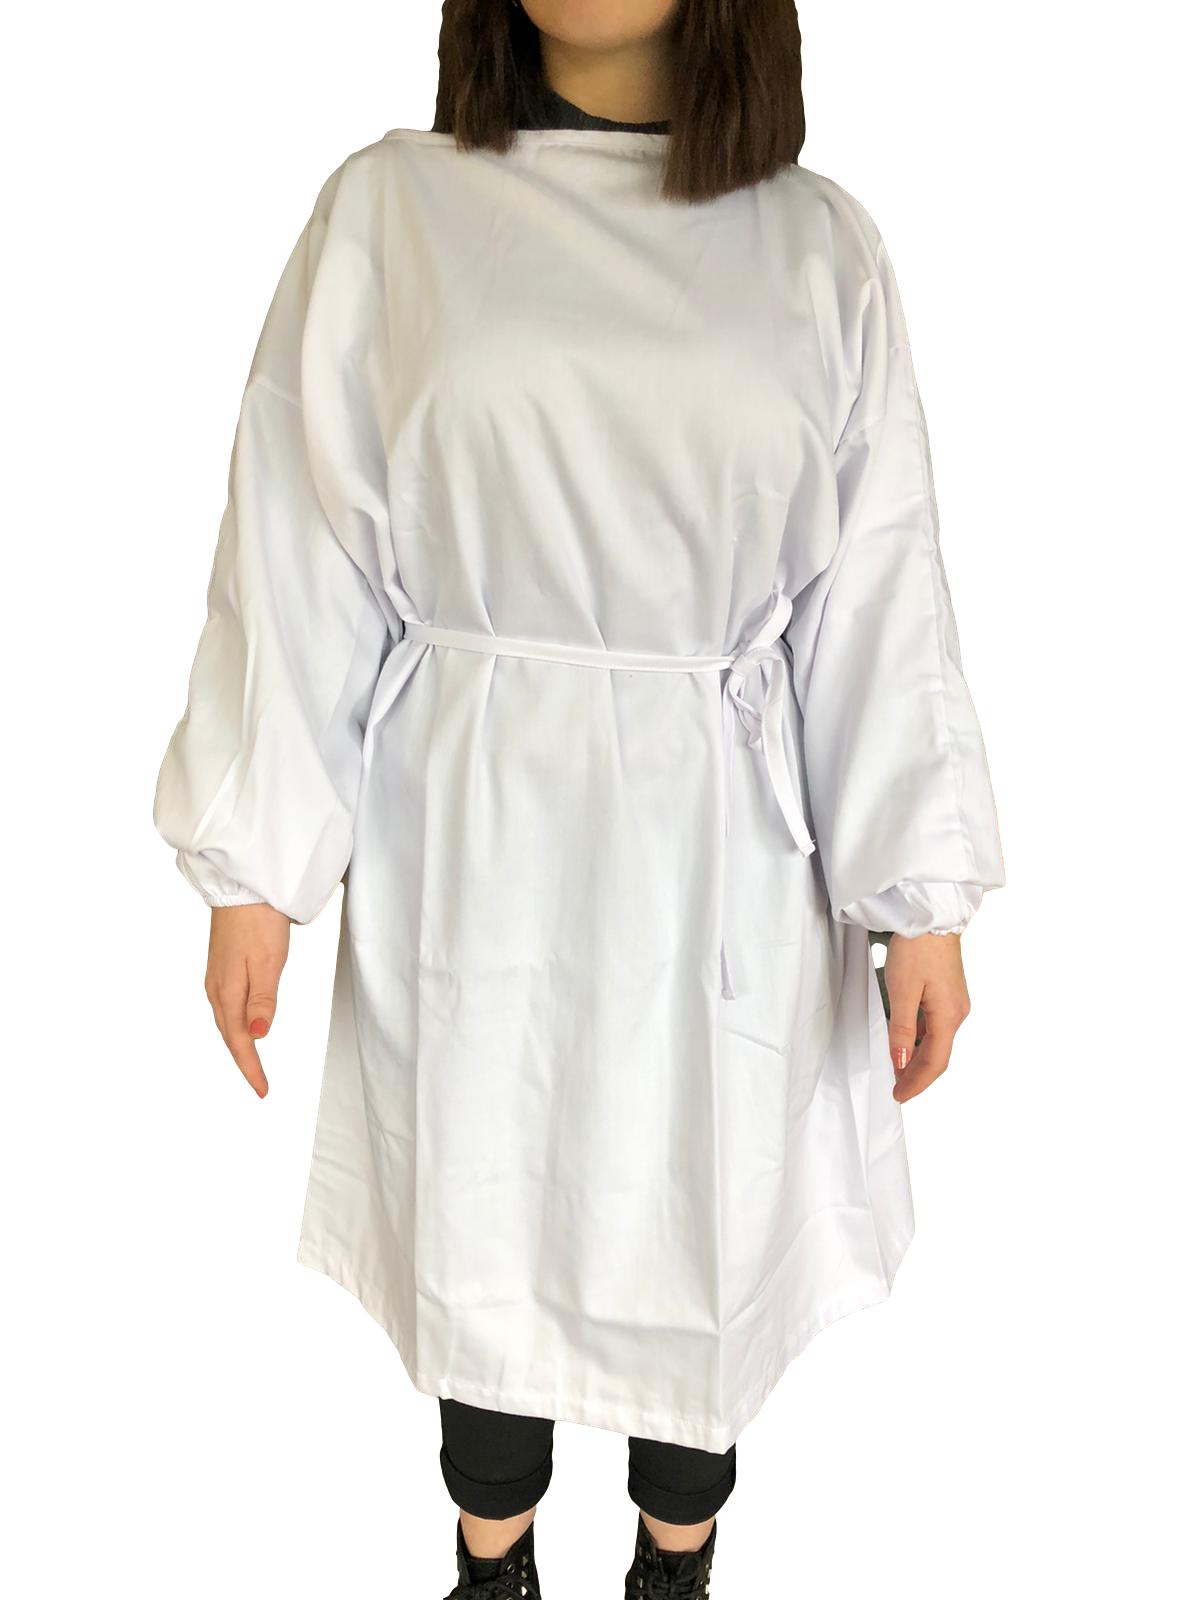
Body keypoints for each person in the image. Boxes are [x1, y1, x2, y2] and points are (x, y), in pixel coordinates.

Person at [152, 3, 1005, 1595]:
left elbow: (878, 587)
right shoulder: (393, 214)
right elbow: (298, 534)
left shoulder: (815, 249)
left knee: (704, 1209)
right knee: (483, 1190)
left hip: (719, 839)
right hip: (473, 817)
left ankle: (675, 1566)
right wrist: (253, 861)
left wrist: (921, 899)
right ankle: (493, 1564)